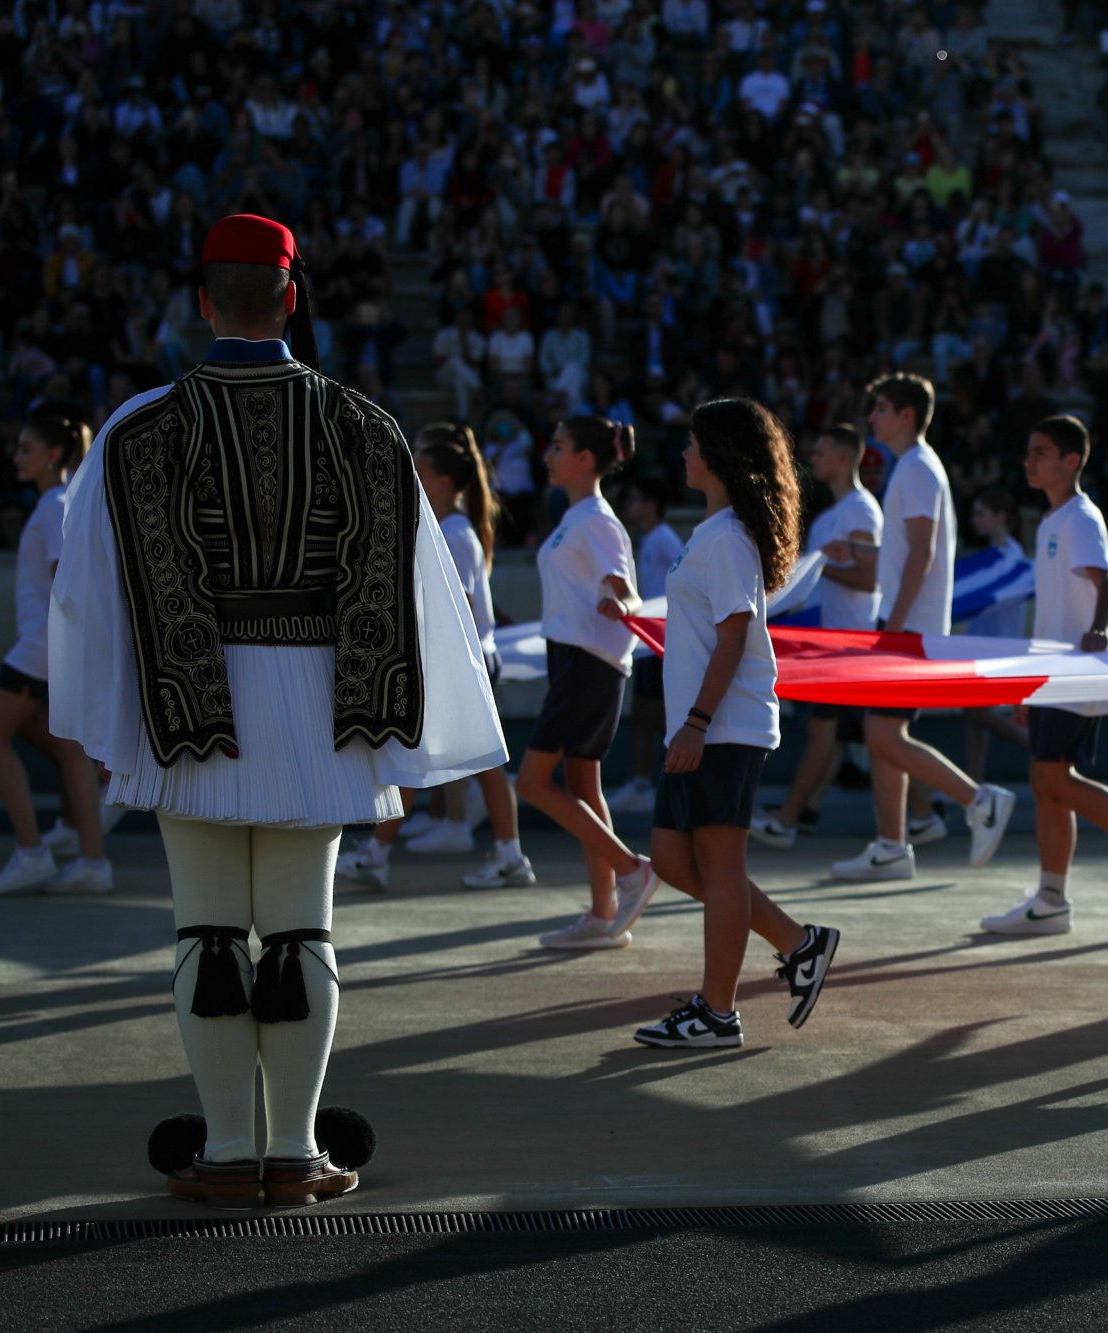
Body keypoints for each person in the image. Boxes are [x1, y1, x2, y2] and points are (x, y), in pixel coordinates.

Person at [49, 214, 505, 1207]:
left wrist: (114, 716)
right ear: (292, 298)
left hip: (188, 699)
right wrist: (385, 717)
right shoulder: (363, 424)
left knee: (207, 932)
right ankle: (296, 1149)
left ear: (203, 301)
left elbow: (86, 598)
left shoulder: (138, 429)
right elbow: (413, 591)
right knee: (302, 933)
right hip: (317, 704)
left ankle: (223, 1149)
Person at [633, 398, 842, 1049]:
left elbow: (733, 635)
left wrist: (697, 722)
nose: (684, 453)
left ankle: (717, 1012)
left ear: (719, 454)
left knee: (720, 866)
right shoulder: (714, 531)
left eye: (693, 443)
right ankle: (799, 943)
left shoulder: (725, 538)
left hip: (723, 727)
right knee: (672, 858)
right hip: (702, 726)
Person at [978, 417, 1108, 936]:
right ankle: (1052, 899)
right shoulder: (1050, 521)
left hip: (1079, 670)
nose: (1029, 462)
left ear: (1071, 461)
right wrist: (1031, 684)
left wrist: (1098, 629)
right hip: (1052, 673)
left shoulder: (1081, 517)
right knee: (1045, 783)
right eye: (1028, 452)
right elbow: (1051, 612)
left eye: (1041, 452)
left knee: (1053, 778)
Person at [827, 374, 1016, 882]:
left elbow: (923, 552)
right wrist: (861, 552)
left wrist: (894, 626)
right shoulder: (914, 467)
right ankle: (892, 845)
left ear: (906, 415)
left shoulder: (915, 468)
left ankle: (978, 800)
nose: (872, 417)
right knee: (885, 733)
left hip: (907, 625)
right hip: (907, 621)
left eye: (880, 408)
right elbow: (907, 551)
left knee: (881, 734)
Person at [336, 424, 532, 891]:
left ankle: (379, 856)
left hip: (459, 664)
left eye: (420, 471)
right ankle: (505, 854)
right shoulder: (452, 528)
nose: (413, 478)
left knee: (427, 757)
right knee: (456, 761)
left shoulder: (454, 532)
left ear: (443, 480)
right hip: (462, 663)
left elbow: (455, 605)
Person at [516, 415, 662, 950]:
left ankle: (632, 870)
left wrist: (620, 603)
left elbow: (629, 593)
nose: (548, 456)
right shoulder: (577, 517)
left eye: (558, 447)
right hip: (576, 660)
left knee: (531, 783)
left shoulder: (597, 520)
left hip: (588, 662)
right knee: (582, 786)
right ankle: (603, 914)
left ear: (584, 459)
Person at [0, 410, 110, 896]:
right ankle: (89, 856)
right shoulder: (58, 501)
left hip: (41, 647)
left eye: (26, 449)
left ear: (53, 454)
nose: (16, 457)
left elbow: (64, 582)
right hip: (51, 647)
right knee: (65, 747)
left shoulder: (55, 503)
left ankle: (32, 853)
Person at [751, 424, 883, 848]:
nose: (814, 457)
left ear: (844, 458)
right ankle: (807, 810)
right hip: (834, 641)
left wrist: (824, 566)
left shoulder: (861, 510)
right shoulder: (831, 516)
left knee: (827, 731)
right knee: (856, 735)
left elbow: (870, 578)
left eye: (822, 450)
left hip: (852, 642)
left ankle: (788, 819)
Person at [609, 478, 684, 814]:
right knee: (642, 712)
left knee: (657, 714)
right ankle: (643, 784)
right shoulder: (651, 539)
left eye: (636, 498)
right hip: (648, 640)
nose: (630, 506)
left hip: (661, 640)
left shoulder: (664, 538)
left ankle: (672, 782)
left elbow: (685, 578)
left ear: (651, 505)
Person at [959, 489, 1030, 782]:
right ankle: (972, 784)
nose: (975, 520)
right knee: (972, 715)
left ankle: (1041, 750)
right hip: (982, 643)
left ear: (1000, 517)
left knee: (979, 714)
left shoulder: (1011, 556)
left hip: (997, 645)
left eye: (981, 514)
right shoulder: (994, 555)